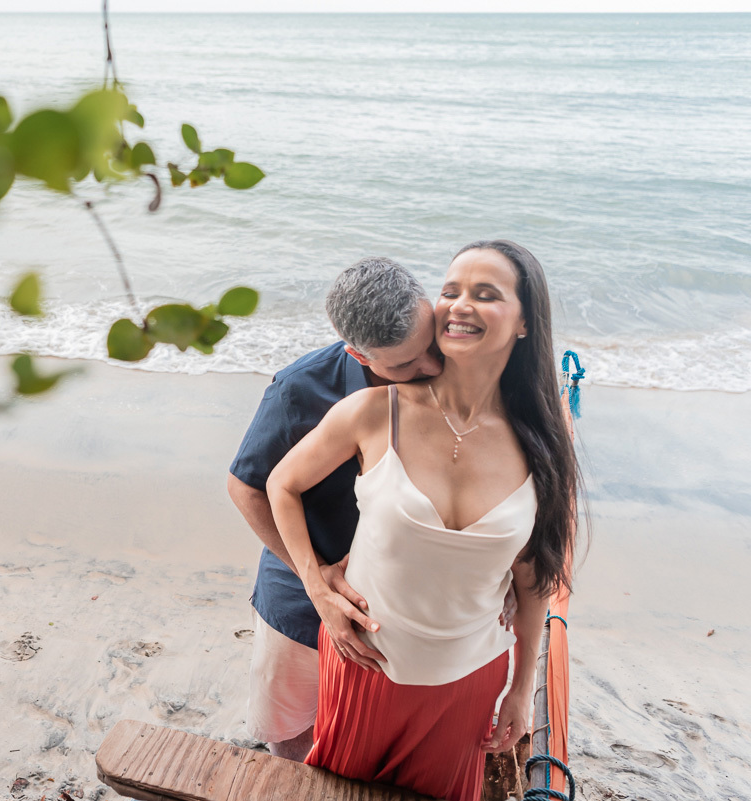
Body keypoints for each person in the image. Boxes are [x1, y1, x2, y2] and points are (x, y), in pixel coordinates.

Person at [266, 240, 580, 801]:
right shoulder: (372, 412)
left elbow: (533, 578)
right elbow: (278, 484)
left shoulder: (544, 443)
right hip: (367, 667)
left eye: (485, 294)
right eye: (450, 290)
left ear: (526, 321)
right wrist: (318, 589)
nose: (460, 304)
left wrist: (520, 685)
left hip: (472, 676)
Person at [227, 256, 445, 761]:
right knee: (291, 734)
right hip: (303, 589)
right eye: (405, 365)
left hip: (401, 598)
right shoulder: (300, 389)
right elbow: (247, 488)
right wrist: (315, 579)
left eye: (431, 347)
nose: (430, 369)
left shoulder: (451, 365)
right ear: (359, 355)